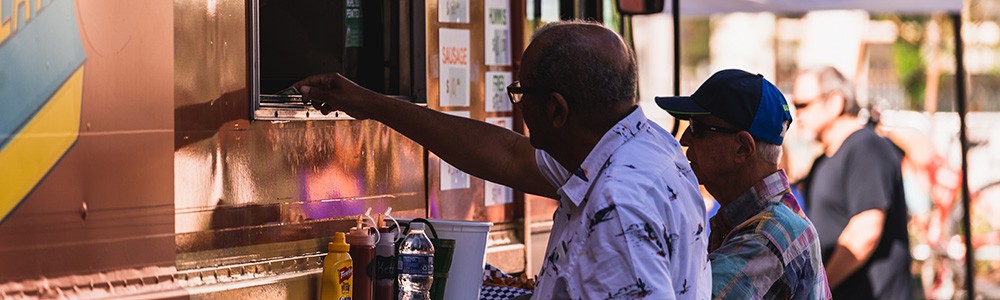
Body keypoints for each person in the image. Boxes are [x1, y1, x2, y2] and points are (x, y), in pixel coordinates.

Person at [294, 20, 710, 299]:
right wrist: (370, 103)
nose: (517, 106)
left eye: (520, 92)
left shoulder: (617, 206)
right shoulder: (645, 148)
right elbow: (508, 154)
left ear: (556, 111)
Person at [656, 69, 831, 299]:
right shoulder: (766, 221)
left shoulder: (765, 238)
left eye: (698, 128)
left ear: (742, 148)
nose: (684, 139)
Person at [792, 66, 912, 299]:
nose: (797, 114)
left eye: (803, 105)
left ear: (835, 102)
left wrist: (819, 287)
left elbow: (865, 232)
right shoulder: (822, 161)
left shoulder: (866, 148)